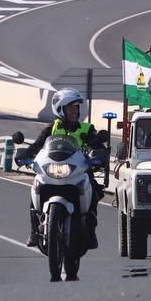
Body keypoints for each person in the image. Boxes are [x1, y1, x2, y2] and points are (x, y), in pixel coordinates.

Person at [17, 88, 106, 249]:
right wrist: (25, 155)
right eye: (71, 107)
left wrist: (99, 155)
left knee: (93, 189)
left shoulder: (86, 128)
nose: (75, 111)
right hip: (53, 170)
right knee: (36, 186)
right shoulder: (52, 128)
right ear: (60, 109)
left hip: (79, 171)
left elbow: (99, 146)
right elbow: (37, 145)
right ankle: (33, 231)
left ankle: (91, 231)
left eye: (77, 107)